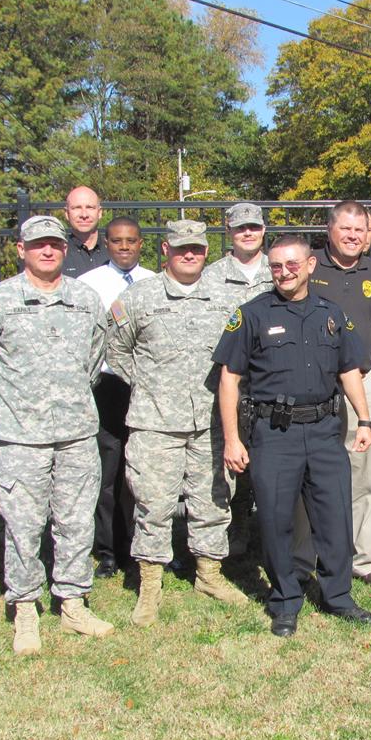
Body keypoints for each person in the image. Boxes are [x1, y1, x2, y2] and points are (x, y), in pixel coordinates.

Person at [0, 214, 112, 655]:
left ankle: (72, 601)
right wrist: (9, 399)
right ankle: (25, 606)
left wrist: (67, 397)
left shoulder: (85, 299)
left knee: (75, 519)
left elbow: (94, 358)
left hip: (76, 432)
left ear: (65, 249)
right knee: (24, 524)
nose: (48, 251)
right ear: (21, 249)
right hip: (20, 436)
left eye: (55, 244)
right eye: (38, 244)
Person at [214, 234, 371, 637]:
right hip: (274, 433)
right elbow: (229, 379)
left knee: (335, 517)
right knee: (274, 520)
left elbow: (348, 370)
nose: (283, 272)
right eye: (275, 266)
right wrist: (233, 439)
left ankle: (337, 595)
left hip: (324, 431)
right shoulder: (251, 314)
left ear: (309, 266)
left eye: (291, 264)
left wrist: (365, 420)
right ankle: (285, 599)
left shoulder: (332, 314)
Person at [106, 219, 248, 627]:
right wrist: (151, 387)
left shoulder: (225, 299)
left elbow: (236, 358)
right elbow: (116, 351)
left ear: (207, 251)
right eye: (182, 248)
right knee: (153, 504)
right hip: (155, 423)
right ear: (165, 249)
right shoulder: (138, 297)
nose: (190, 255)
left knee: (212, 501)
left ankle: (209, 574)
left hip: (209, 422)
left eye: (198, 249)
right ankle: (150, 584)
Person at [294, 200, 371, 591]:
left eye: (360, 230)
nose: (353, 236)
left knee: (365, 478)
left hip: (364, 383)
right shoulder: (310, 266)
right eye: (346, 229)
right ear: (329, 231)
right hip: (314, 387)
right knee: (307, 475)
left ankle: (364, 560)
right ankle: (303, 560)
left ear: (369, 233)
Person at [78, 216, 155, 578]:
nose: (125, 247)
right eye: (117, 241)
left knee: (145, 473)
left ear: (142, 244)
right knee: (108, 473)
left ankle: (149, 547)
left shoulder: (154, 282)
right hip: (107, 386)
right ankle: (109, 550)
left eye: (131, 241)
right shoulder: (88, 285)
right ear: (106, 244)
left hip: (146, 386)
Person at [203, 203, 274, 555]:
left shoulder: (279, 271)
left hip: (270, 384)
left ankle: (266, 534)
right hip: (228, 384)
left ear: (264, 230)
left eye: (254, 227)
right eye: (240, 228)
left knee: (268, 462)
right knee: (228, 463)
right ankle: (230, 536)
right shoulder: (209, 277)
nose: (248, 233)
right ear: (229, 231)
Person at [61, 186, 108, 278]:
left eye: (90, 207)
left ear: (99, 212)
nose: (84, 215)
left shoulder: (113, 252)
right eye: (77, 208)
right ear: (67, 213)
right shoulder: (58, 254)